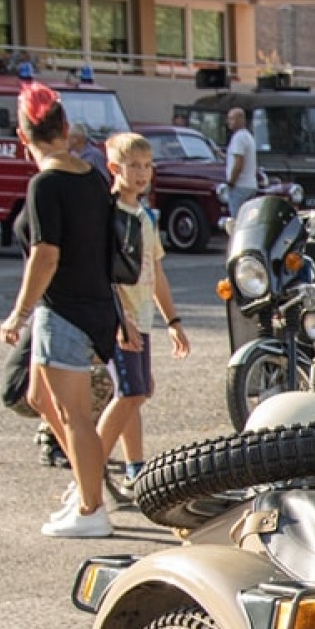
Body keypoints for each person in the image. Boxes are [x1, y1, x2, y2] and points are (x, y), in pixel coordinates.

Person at [0, 81, 136, 537]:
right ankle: (85, 489)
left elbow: (46, 255)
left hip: (66, 311)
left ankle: (92, 509)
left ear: (23, 137)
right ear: (66, 128)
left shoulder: (46, 185)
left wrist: (19, 312)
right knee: (40, 399)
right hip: (85, 305)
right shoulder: (91, 177)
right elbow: (104, 252)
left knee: (76, 414)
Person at [100, 132, 190, 486]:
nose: (142, 173)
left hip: (143, 318)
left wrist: (173, 320)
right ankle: (90, 464)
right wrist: (122, 321)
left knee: (137, 393)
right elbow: (105, 275)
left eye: (147, 165)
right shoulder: (109, 216)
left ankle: (134, 465)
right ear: (114, 168)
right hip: (120, 320)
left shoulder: (145, 216)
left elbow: (157, 273)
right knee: (130, 392)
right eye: (133, 165)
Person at [223, 106, 258, 221]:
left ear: (240, 119)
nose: (228, 122)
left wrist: (231, 182)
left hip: (239, 186)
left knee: (236, 221)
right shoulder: (248, 137)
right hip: (250, 185)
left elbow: (239, 163)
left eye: (231, 119)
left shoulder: (238, 138)